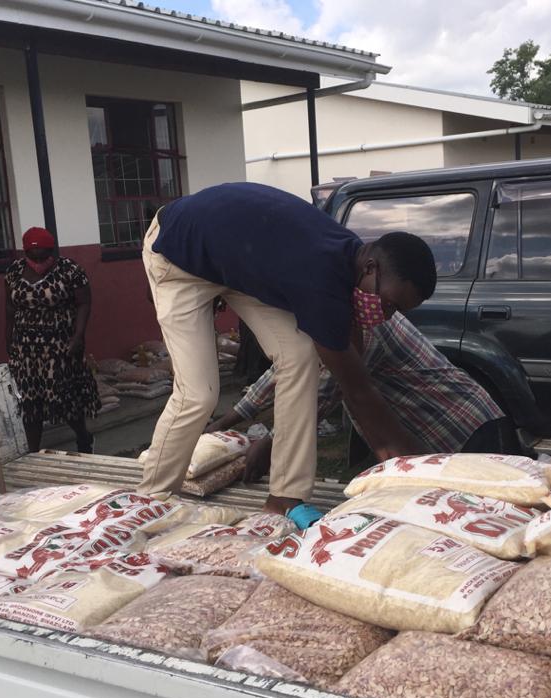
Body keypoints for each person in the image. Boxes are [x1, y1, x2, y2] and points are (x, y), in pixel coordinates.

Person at [140, 181, 436, 515]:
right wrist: (405, 462)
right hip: (176, 255)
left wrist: (400, 457)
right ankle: (149, 499)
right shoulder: (319, 277)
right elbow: (358, 389)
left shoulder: (349, 259)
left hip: (228, 259)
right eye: (390, 304)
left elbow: (353, 362)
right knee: (199, 393)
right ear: (370, 268)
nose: (386, 315)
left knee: (298, 354)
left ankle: (284, 495)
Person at [209, 311, 527, 480]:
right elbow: (283, 371)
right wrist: (226, 422)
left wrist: (268, 443)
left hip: (468, 428)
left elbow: (322, 392)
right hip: (438, 433)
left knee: (486, 518)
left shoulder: (359, 324)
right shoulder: (318, 318)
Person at [5, 226, 99, 453]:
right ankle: (34, 452)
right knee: (30, 402)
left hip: (60, 346)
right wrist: (8, 340)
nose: (39, 261)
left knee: (65, 398)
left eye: (44, 256)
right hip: (26, 349)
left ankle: (83, 436)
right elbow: (9, 308)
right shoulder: (14, 272)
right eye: (33, 257)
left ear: (52, 251)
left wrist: (79, 335)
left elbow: (84, 302)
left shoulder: (70, 270)